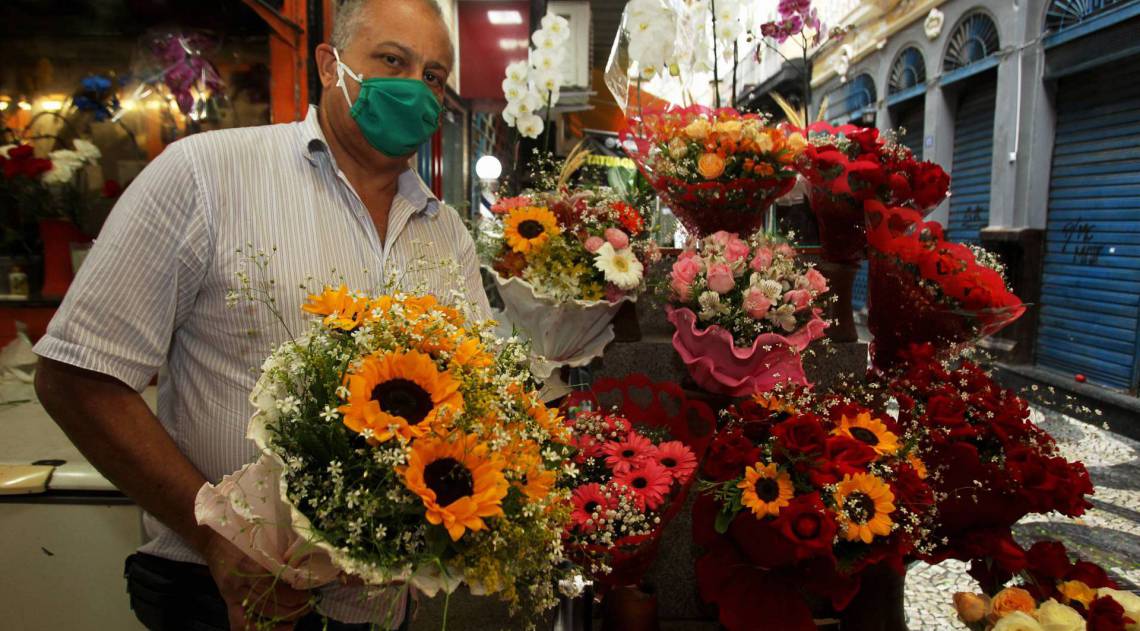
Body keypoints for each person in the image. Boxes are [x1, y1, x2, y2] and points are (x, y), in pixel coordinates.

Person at [32, 0, 488, 629]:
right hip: (216, 592)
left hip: (380, 606)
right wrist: (220, 541)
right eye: (392, 61)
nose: (414, 89)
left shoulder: (447, 234)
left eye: (433, 77)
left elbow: (477, 406)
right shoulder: (207, 177)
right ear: (330, 65)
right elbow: (77, 377)